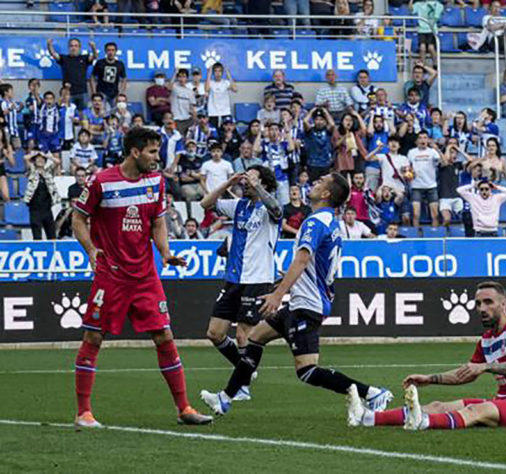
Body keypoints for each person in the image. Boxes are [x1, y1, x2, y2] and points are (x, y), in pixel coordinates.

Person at [200, 173, 393, 416]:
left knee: (307, 371)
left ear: (326, 195)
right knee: (256, 337)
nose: (315, 182)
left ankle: (373, 393)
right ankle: (225, 397)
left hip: (307, 305)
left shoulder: (314, 223)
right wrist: (284, 281)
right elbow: (310, 265)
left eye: (320, 182)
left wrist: (278, 294)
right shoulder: (329, 223)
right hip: (303, 301)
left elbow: (302, 260)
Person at [71, 127, 212, 427]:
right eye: (151, 151)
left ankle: (184, 408)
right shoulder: (101, 181)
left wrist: (165, 252)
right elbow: (78, 218)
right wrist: (91, 250)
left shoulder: (156, 181)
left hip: (146, 275)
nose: (156, 157)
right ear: (135, 152)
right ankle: (84, 412)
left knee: (164, 335)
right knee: (94, 336)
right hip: (111, 275)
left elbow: (157, 222)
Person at [347, 281, 506, 431]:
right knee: (438, 405)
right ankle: (367, 417)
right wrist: (430, 379)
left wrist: (486, 366)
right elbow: (465, 373)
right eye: (478, 304)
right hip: (503, 399)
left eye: (488, 302)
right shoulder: (486, 339)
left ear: (503, 304)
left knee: (476, 411)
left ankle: (423, 422)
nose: (482, 309)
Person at [201, 165, 282, 402]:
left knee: (244, 334)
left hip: (257, 277)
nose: (246, 180)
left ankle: (242, 387)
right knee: (214, 333)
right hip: (234, 277)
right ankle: (247, 369)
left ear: (263, 183)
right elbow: (205, 204)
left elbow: (277, 209)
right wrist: (228, 184)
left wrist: (256, 185)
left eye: (252, 176)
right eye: (245, 176)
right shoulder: (238, 206)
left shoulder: (270, 209)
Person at [46, 38, 97, 110]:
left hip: (82, 92)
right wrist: (49, 45)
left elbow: (95, 56)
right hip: (68, 94)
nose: (73, 48)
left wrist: (93, 47)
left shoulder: (84, 58)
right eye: (71, 46)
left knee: (84, 116)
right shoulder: (64, 58)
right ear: (68, 47)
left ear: (79, 48)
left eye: (76, 46)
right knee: (67, 115)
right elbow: (53, 54)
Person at [408, 132, 442, 228]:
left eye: (425, 138)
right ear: (417, 141)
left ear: (428, 140)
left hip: (431, 186)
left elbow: (442, 162)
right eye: (420, 138)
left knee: (435, 215)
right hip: (416, 186)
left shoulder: (433, 152)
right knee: (415, 214)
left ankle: (434, 236)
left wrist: (437, 149)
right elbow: (408, 167)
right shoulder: (411, 152)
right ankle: (415, 237)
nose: (423, 140)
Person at [24, 152, 60, 240]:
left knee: (51, 235)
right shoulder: (32, 171)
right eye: (38, 159)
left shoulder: (48, 172)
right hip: (34, 209)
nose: (40, 160)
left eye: (42, 159)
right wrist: (37, 153)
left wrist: (47, 155)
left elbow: (57, 162)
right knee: (37, 236)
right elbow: (25, 158)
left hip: (47, 208)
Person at [303, 107, 336, 181]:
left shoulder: (327, 131)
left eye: (321, 119)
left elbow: (332, 124)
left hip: (325, 164)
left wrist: (325, 111)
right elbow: (305, 121)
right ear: (314, 121)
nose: (319, 122)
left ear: (325, 121)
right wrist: (312, 110)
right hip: (312, 164)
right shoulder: (310, 131)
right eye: (317, 119)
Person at [90, 42, 127, 107]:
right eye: (108, 50)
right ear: (105, 51)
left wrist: (121, 93)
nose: (110, 52)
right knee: (102, 113)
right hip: (101, 93)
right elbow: (92, 77)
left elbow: (124, 79)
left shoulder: (120, 64)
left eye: (113, 50)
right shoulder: (100, 63)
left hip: (114, 94)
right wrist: (94, 92)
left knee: (113, 114)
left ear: (116, 52)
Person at [410, 0, 442, 67]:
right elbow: (411, 10)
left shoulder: (437, 4)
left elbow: (437, 15)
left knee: (431, 48)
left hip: (432, 29)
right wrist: (411, 1)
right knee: (422, 48)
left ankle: (435, 65)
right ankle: (423, 66)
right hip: (422, 30)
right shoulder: (418, 4)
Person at [206, 62, 237, 129]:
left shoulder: (226, 83)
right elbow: (206, 89)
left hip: (225, 112)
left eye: (220, 71)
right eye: (216, 71)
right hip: (213, 113)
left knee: (226, 133)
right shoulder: (211, 83)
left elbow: (235, 89)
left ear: (222, 72)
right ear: (213, 73)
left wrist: (228, 74)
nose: (218, 73)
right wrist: (209, 73)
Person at [167, 68, 197, 135]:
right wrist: (175, 73)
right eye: (180, 77)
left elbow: (193, 107)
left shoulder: (190, 92)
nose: (181, 79)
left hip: (187, 119)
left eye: (183, 77)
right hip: (176, 119)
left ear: (187, 78)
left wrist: (195, 121)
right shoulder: (174, 87)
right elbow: (169, 87)